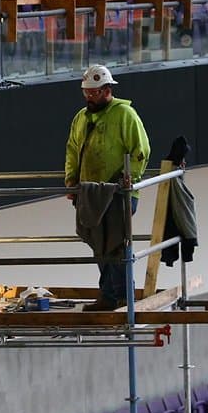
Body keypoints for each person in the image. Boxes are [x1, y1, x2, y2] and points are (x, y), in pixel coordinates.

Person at [65, 64, 150, 311]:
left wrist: (129, 177)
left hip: (118, 194)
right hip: (90, 194)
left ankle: (122, 297)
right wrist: (71, 180)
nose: (90, 97)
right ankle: (109, 296)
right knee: (99, 244)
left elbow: (140, 151)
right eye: (87, 92)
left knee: (115, 244)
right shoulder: (81, 118)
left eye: (94, 92)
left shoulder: (125, 115)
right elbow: (72, 149)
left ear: (107, 90)